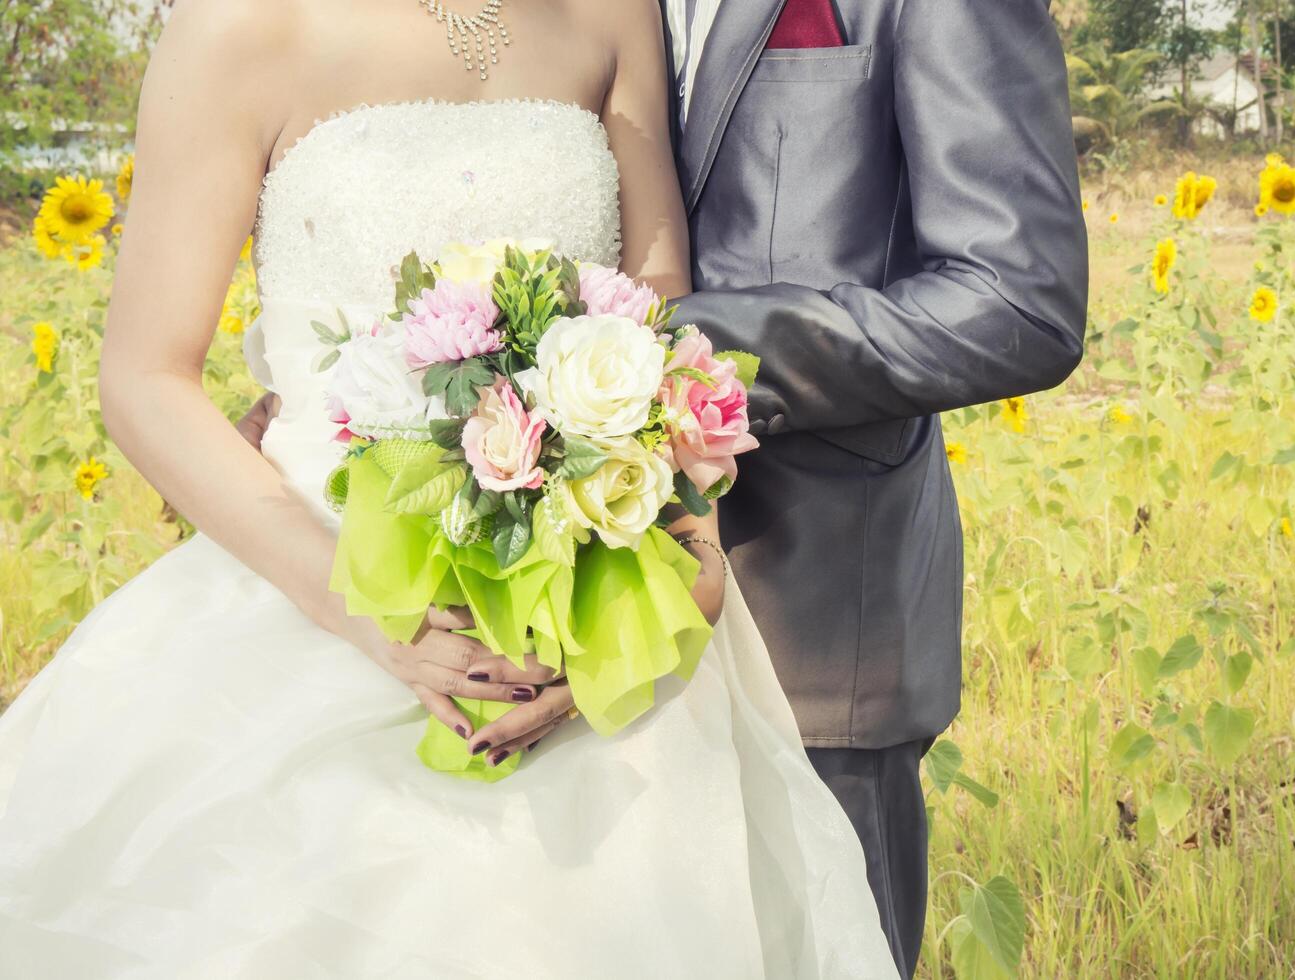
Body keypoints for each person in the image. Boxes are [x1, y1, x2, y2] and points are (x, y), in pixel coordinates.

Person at [0, 1, 901, 976]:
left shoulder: (612, 11)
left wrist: (692, 555)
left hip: (596, 586)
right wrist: (371, 615)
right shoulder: (236, 25)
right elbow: (144, 377)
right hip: (317, 575)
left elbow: (655, 312)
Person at [247, 1, 1089, 975]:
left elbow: (1019, 301)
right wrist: (341, 393)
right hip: (490, 590)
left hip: (804, 621)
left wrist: (647, 355)